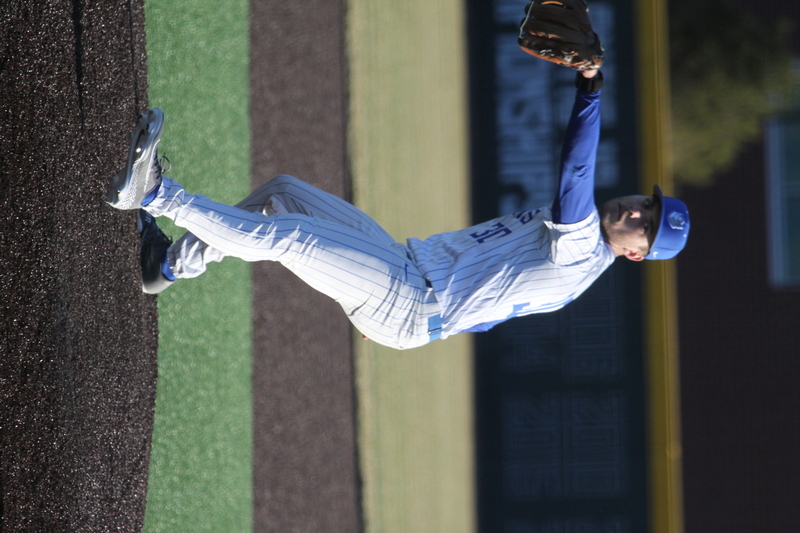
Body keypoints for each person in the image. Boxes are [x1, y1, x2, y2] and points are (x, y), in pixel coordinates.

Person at [106, 67, 689, 350]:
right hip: (404, 271)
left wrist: (590, 90)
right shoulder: (581, 251)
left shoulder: (587, 247)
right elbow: (493, 313)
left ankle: (155, 193)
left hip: (406, 301)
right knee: (283, 191)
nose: (638, 212)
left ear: (635, 256)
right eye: (647, 205)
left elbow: (575, 175)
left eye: (646, 226)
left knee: (292, 237)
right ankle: (167, 265)